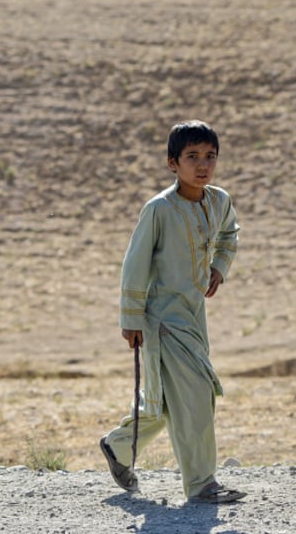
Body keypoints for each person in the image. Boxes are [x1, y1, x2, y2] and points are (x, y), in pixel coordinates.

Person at [99, 120, 245, 503]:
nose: (203, 165)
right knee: (196, 394)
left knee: (165, 399)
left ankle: (118, 445)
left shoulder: (219, 201)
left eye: (210, 156)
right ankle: (202, 484)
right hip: (162, 319)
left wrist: (220, 267)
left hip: (194, 315)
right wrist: (131, 319)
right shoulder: (159, 210)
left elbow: (230, 232)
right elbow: (135, 265)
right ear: (172, 163)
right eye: (192, 156)